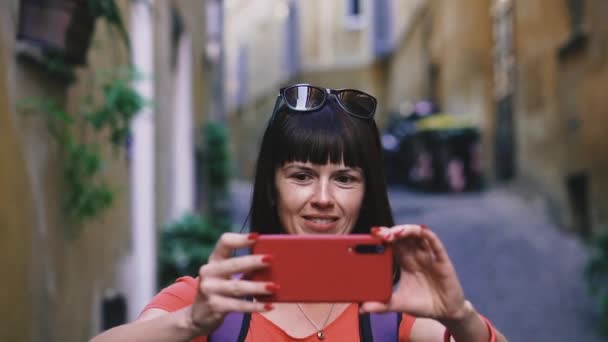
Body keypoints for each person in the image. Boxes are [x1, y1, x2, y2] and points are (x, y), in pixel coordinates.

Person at [90, 84, 507, 341]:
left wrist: (459, 316)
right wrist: (190, 323)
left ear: (367, 192)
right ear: (272, 186)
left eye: (345, 178)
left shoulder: (389, 313)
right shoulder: (217, 299)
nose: (323, 198)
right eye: (302, 175)